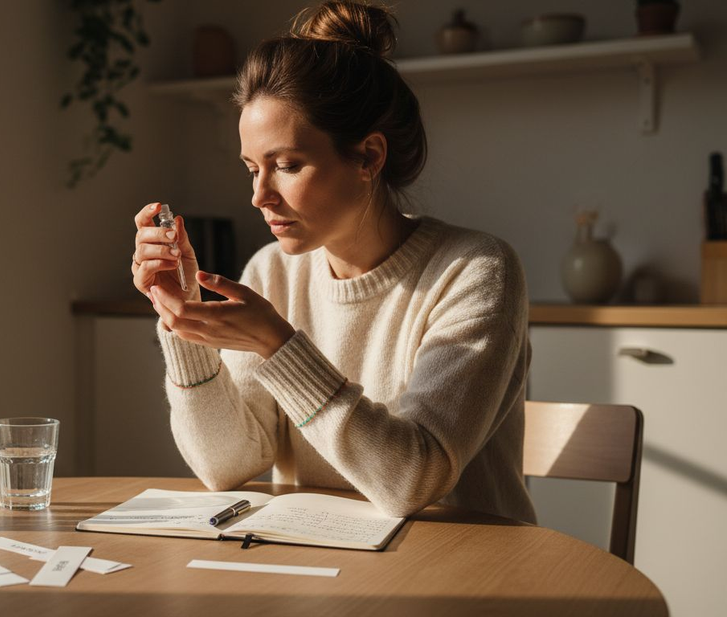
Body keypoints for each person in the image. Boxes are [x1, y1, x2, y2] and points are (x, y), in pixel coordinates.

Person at [130, 0, 535, 523]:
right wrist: (183, 321)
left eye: (287, 166)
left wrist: (278, 345)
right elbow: (226, 467)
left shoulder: (476, 271)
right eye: (252, 168)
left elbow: (415, 480)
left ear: (368, 157)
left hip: (467, 576)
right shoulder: (271, 271)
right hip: (325, 574)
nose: (260, 196)